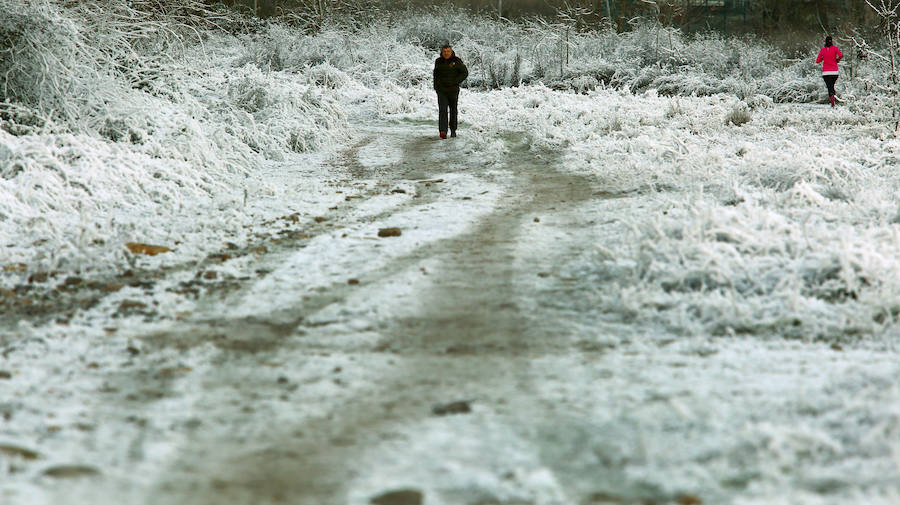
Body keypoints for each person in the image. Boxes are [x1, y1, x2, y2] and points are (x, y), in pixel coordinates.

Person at [433, 45, 468, 139]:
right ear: (442, 52)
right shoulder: (438, 61)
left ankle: (453, 130)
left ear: (451, 52)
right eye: (444, 51)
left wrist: (455, 81)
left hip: (453, 90)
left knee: (453, 110)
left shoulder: (457, 61)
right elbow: (435, 75)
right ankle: (443, 131)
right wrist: (436, 86)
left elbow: (465, 73)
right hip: (441, 91)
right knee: (442, 110)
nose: (446, 53)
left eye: (448, 51)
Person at [816, 36, 843, 107]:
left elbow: (817, 61)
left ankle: (832, 102)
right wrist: (837, 60)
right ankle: (833, 99)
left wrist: (823, 58)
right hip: (834, 72)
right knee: (832, 86)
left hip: (826, 72)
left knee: (829, 87)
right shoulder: (835, 49)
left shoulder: (823, 50)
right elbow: (841, 55)